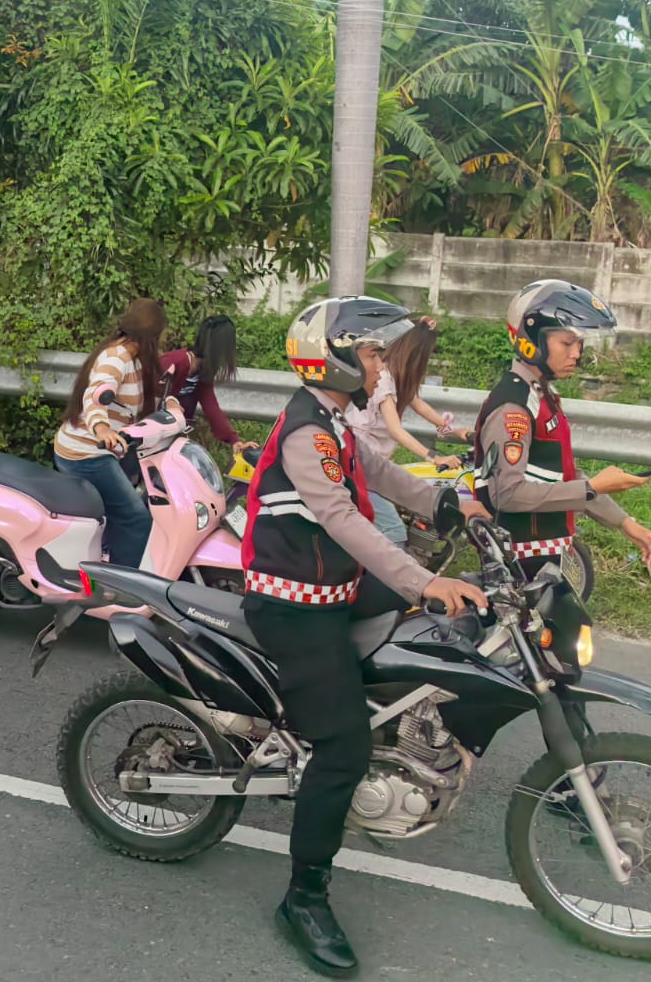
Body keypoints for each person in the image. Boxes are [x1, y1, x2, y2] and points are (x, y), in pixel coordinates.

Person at [241, 295, 488, 977]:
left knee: (458, 622)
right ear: (337, 358)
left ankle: (405, 735)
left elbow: (381, 475)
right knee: (343, 747)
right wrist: (421, 580)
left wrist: (454, 502)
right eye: (374, 353)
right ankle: (303, 898)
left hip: (336, 590)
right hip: (295, 607)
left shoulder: (335, 422)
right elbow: (345, 520)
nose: (382, 366)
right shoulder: (307, 433)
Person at [474, 279, 651, 579]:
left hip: (546, 557)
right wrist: (593, 487)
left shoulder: (541, 397)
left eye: (579, 344)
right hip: (520, 566)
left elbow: (563, 478)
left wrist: (625, 523)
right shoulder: (514, 407)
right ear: (532, 340)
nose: (576, 353)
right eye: (566, 343)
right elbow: (507, 494)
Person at [52, 299, 168, 570]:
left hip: (108, 450)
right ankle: (121, 583)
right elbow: (95, 395)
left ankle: (110, 556)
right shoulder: (116, 358)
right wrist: (102, 428)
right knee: (136, 518)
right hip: (86, 453)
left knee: (146, 500)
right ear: (153, 336)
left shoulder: (135, 359)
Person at [343, 319, 464, 545]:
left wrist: (452, 430)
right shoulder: (384, 379)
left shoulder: (395, 376)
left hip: (371, 466)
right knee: (394, 531)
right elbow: (395, 430)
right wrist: (433, 457)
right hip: (359, 466)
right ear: (416, 355)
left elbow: (417, 404)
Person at [159, 314, 258, 457]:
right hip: (152, 436)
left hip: (173, 438)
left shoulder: (203, 369)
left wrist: (234, 440)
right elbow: (148, 394)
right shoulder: (176, 361)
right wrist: (169, 402)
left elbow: (210, 405)